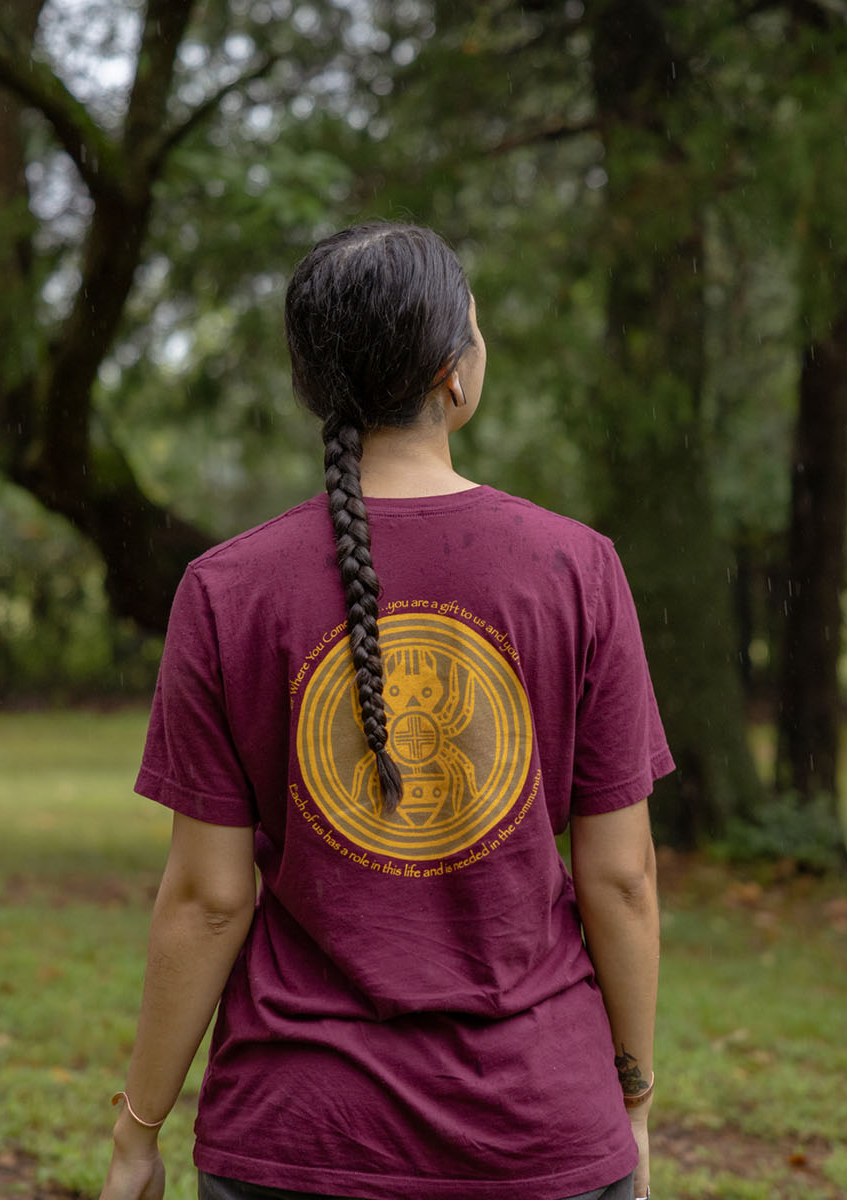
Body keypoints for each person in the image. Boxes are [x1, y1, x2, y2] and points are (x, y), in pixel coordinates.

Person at [98, 221, 672, 1200]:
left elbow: (208, 898)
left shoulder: (227, 590)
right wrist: (632, 1099)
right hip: (541, 1131)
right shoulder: (576, 569)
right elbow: (620, 878)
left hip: (298, 1139)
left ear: (312, 386)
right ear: (455, 372)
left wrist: (137, 1131)